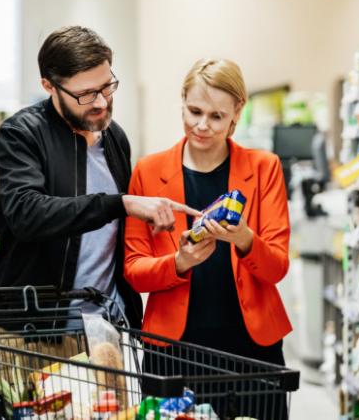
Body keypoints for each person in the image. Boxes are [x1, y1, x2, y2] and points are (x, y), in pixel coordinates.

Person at [0, 25, 200, 332]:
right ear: (49, 86)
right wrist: (122, 204)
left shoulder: (114, 138)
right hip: (36, 331)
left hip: (106, 326)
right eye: (86, 94)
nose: (101, 103)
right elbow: (27, 215)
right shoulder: (21, 135)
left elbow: (111, 230)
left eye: (107, 87)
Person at [123, 59, 292, 419]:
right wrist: (180, 262)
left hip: (251, 349)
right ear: (182, 100)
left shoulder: (265, 168)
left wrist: (245, 238)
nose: (202, 126)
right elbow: (134, 270)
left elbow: (276, 267)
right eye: (194, 111)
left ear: (236, 114)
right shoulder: (148, 173)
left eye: (217, 116)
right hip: (173, 350)